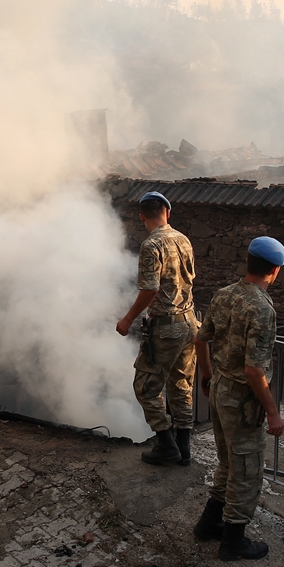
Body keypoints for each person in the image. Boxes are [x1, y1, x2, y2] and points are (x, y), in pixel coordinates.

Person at [192, 237, 284, 561]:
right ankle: (233, 540)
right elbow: (253, 369)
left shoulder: (224, 295)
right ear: (275, 270)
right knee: (246, 469)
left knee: (228, 462)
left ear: (248, 262)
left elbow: (200, 338)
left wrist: (206, 376)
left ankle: (208, 525)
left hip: (219, 390)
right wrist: (272, 412)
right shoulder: (262, 308)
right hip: (242, 401)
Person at [116, 191, 199, 466]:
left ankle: (166, 444)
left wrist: (128, 319)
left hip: (166, 326)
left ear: (142, 217)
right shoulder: (184, 239)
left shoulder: (151, 246)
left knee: (146, 387)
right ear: (168, 212)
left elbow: (150, 289)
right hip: (190, 322)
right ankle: (184, 448)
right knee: (180, 384)